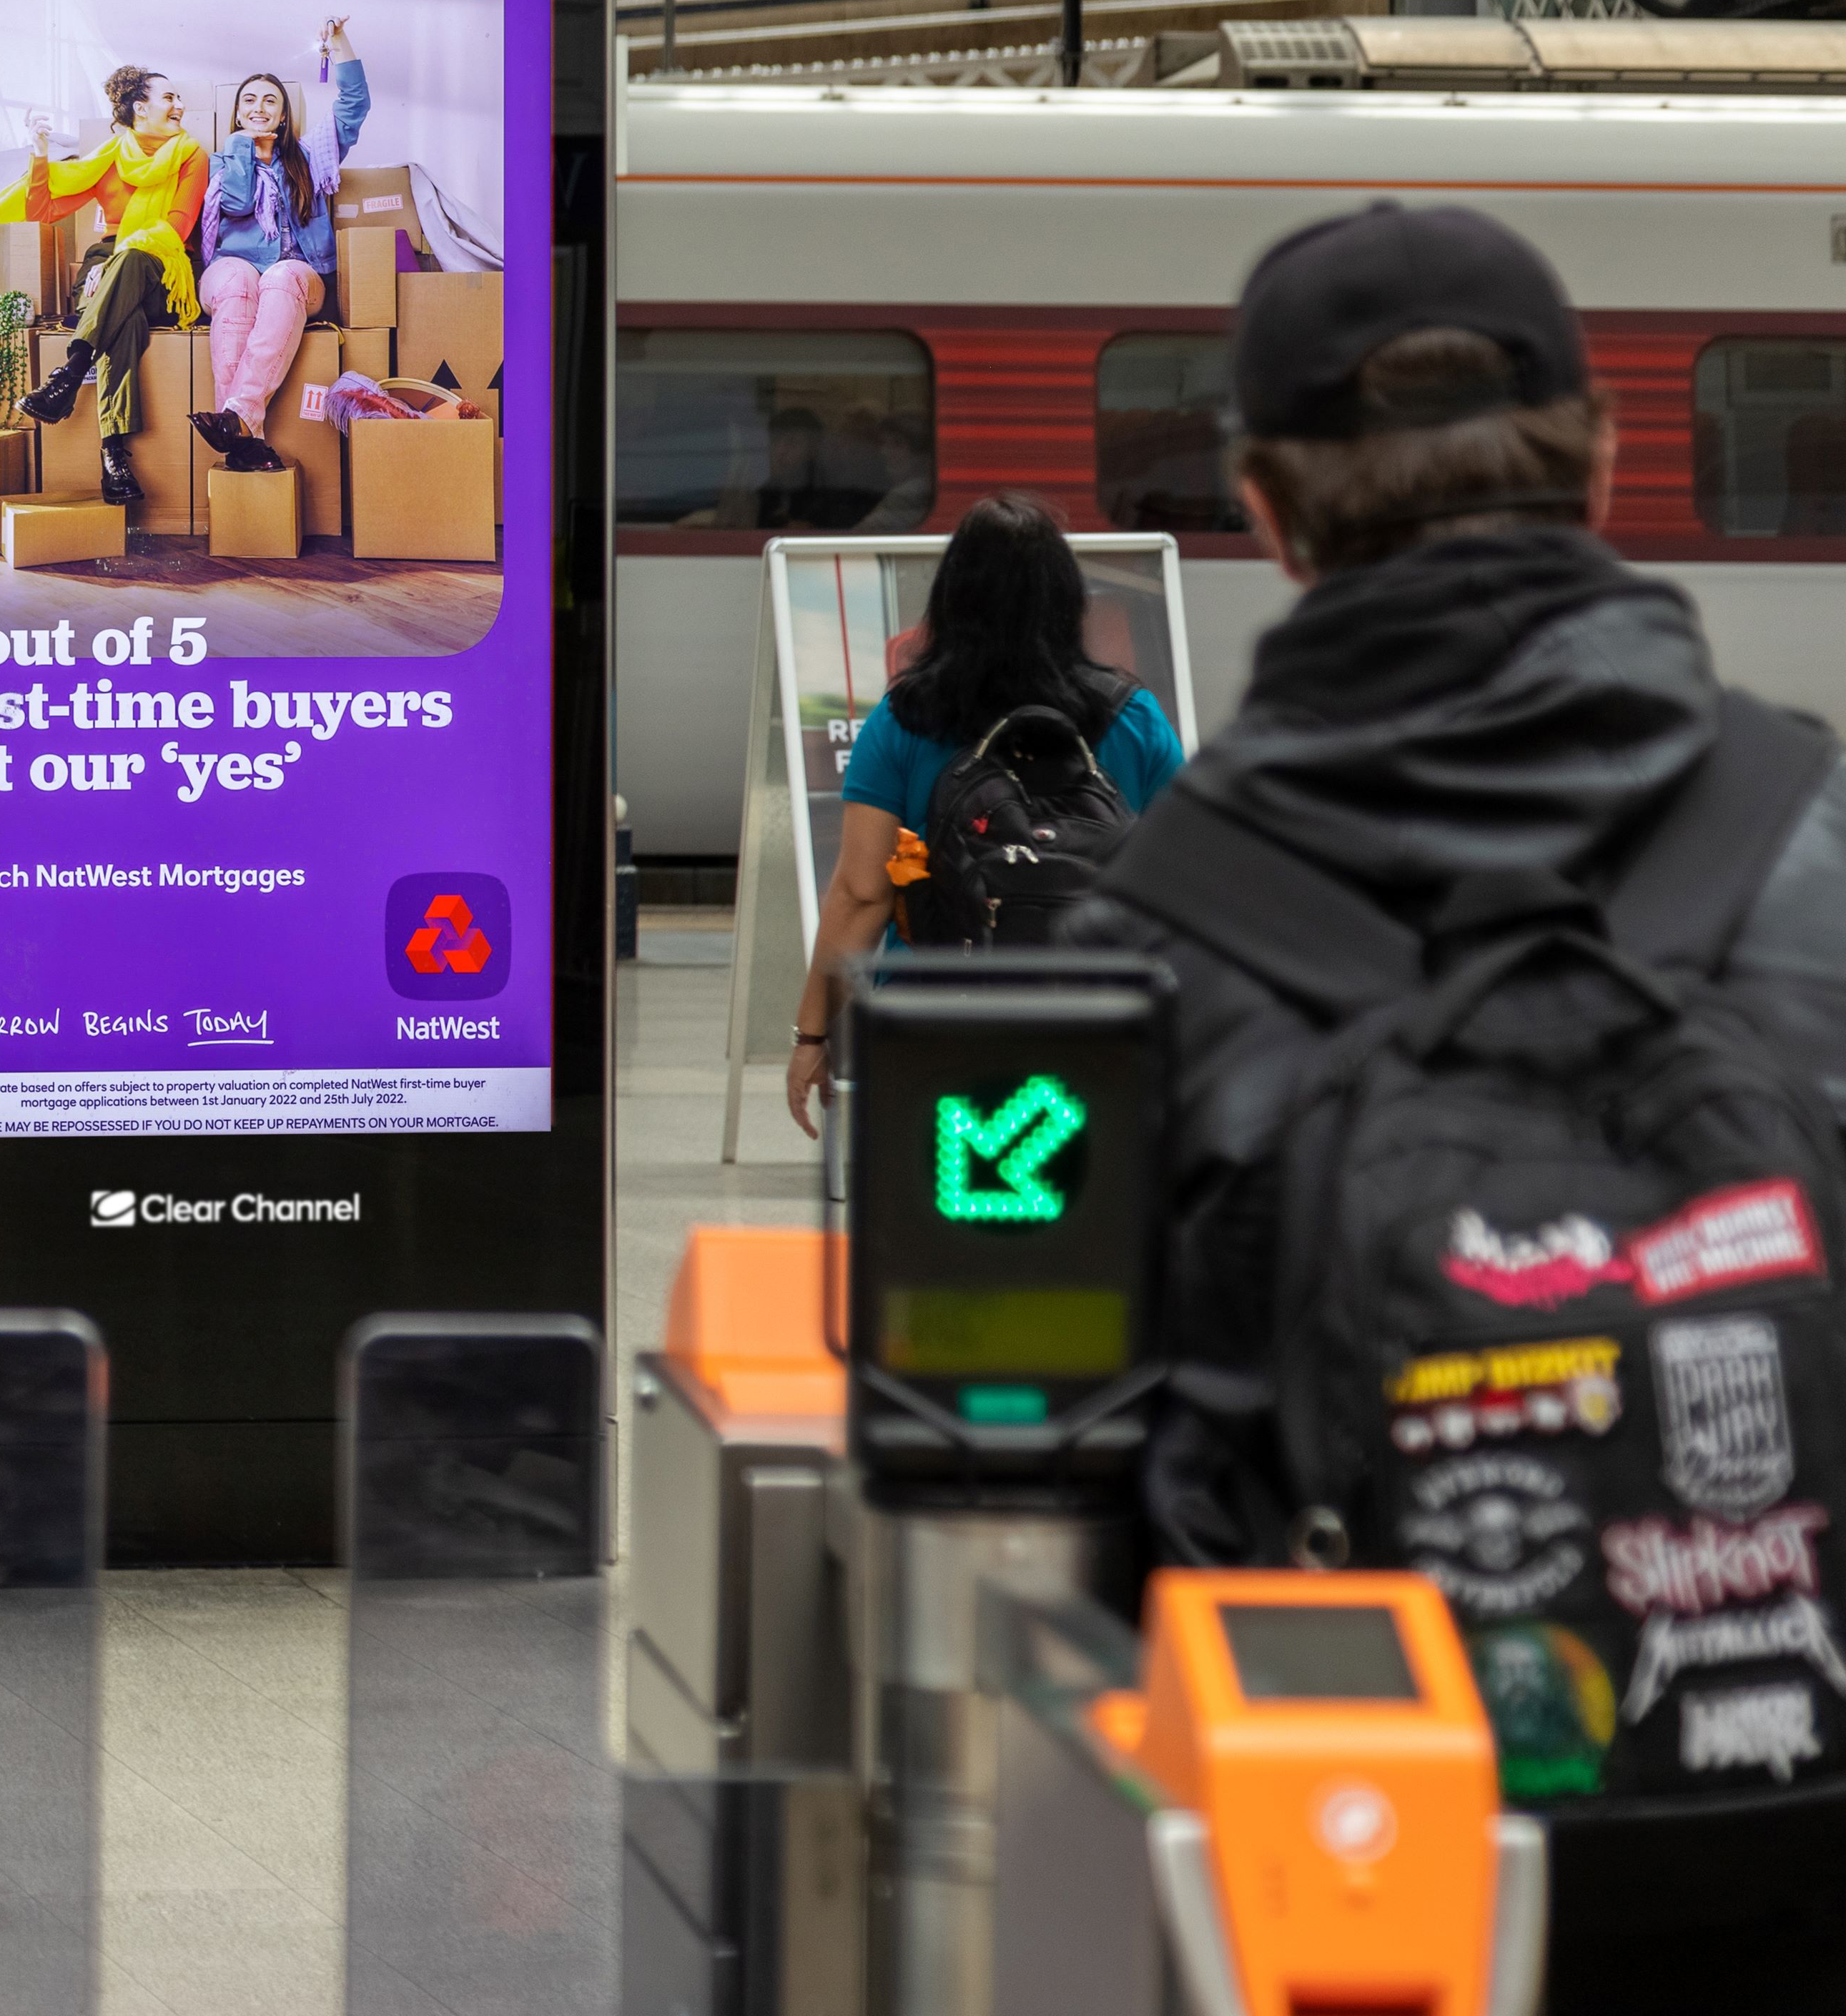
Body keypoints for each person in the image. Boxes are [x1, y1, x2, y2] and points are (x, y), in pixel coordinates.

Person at [1060, 206, 1846, 2001]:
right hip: (1804, 1844)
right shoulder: (1823, 845)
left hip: (1332, 1896)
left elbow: (1050, 1519)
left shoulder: (1133, 954)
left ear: (1263, 511)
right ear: (1610, 460)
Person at [781, 495, 1183, 1136]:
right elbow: (1181, 885)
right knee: (1095, 1213)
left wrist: (814, 1032)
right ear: (1068, 599)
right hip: (1097, 1019)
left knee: (938, 1214)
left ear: (951, 600)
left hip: (937, 1018)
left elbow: (862, 894)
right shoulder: (1133, 717)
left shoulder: (905, 719)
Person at [0, 65, 212, 518]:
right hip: (108, 269)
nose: (179, 107)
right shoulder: (110, 157)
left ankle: (68, 375)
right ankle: (113, 457)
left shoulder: (191, 155)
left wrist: (120, 258)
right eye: (169, 98)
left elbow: (175, 228)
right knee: (127, 319)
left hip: (163, 267)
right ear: (141, 108)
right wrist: (40, 154)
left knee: (132, 261)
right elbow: (42, 208)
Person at [187, 23, 367, 475]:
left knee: (279, 275)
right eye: (249, 100)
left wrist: (340, 44)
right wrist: (241, 149)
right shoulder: (217, 162)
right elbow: (238, 201)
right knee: (239, 278)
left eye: (270, 100)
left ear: (284, 116)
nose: (259, 107)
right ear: (237, 115)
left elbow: (353, 106)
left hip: (298, 278)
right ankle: (246, 434)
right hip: (230, 274)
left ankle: (237, 417)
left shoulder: (308, 157)